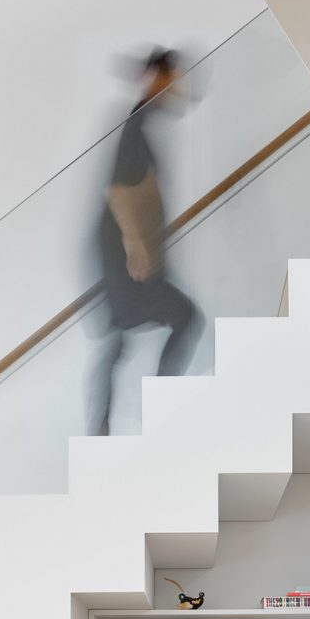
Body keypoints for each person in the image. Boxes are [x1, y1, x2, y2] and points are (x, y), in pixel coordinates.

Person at [88, 48, 203, 436]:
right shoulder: (136, 124)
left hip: (115, 249)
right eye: (172, 78)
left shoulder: (141, 121)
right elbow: (118, 191)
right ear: (157, 77)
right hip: (120, 250)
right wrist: (136, 245)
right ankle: (159, 408)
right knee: (184, 316)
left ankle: (102, 425)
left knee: (119, 337)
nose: (177, 86)